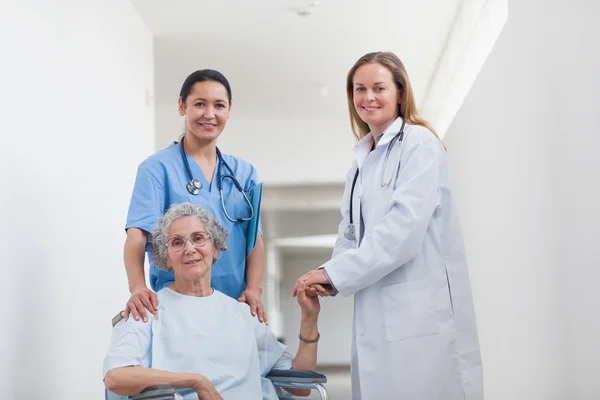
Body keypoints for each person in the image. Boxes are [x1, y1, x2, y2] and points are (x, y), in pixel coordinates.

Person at [292, 51, 483, 399]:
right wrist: (330, 273)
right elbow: (349, 232)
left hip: (420, 315)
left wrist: (336, 274)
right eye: (359, 89)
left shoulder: (420, 145)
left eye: (379, 87)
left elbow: (403, 231)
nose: (368, 97)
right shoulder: (361, 160)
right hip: (375, 313)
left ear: (399, 92)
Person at [104, 203, 321, 400]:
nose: (190, 249)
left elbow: (300, 387)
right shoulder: (148, 309)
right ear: (166, 256)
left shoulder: (241, 313)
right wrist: (195, 381)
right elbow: (116, 377)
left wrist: (309, 317)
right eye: (177, 242)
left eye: (198, 238)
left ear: (215, 247)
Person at [123, 69, 267, 324]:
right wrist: (137, 287)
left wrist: (254, 289)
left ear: (229, 110)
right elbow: (137, 235)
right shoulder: (157, 169)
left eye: (219, 105)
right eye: (199, 104)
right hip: (178, 306)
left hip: (233, 306)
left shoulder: (244, 173)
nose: (209, 114)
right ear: (182, 106)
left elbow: (253, 240)